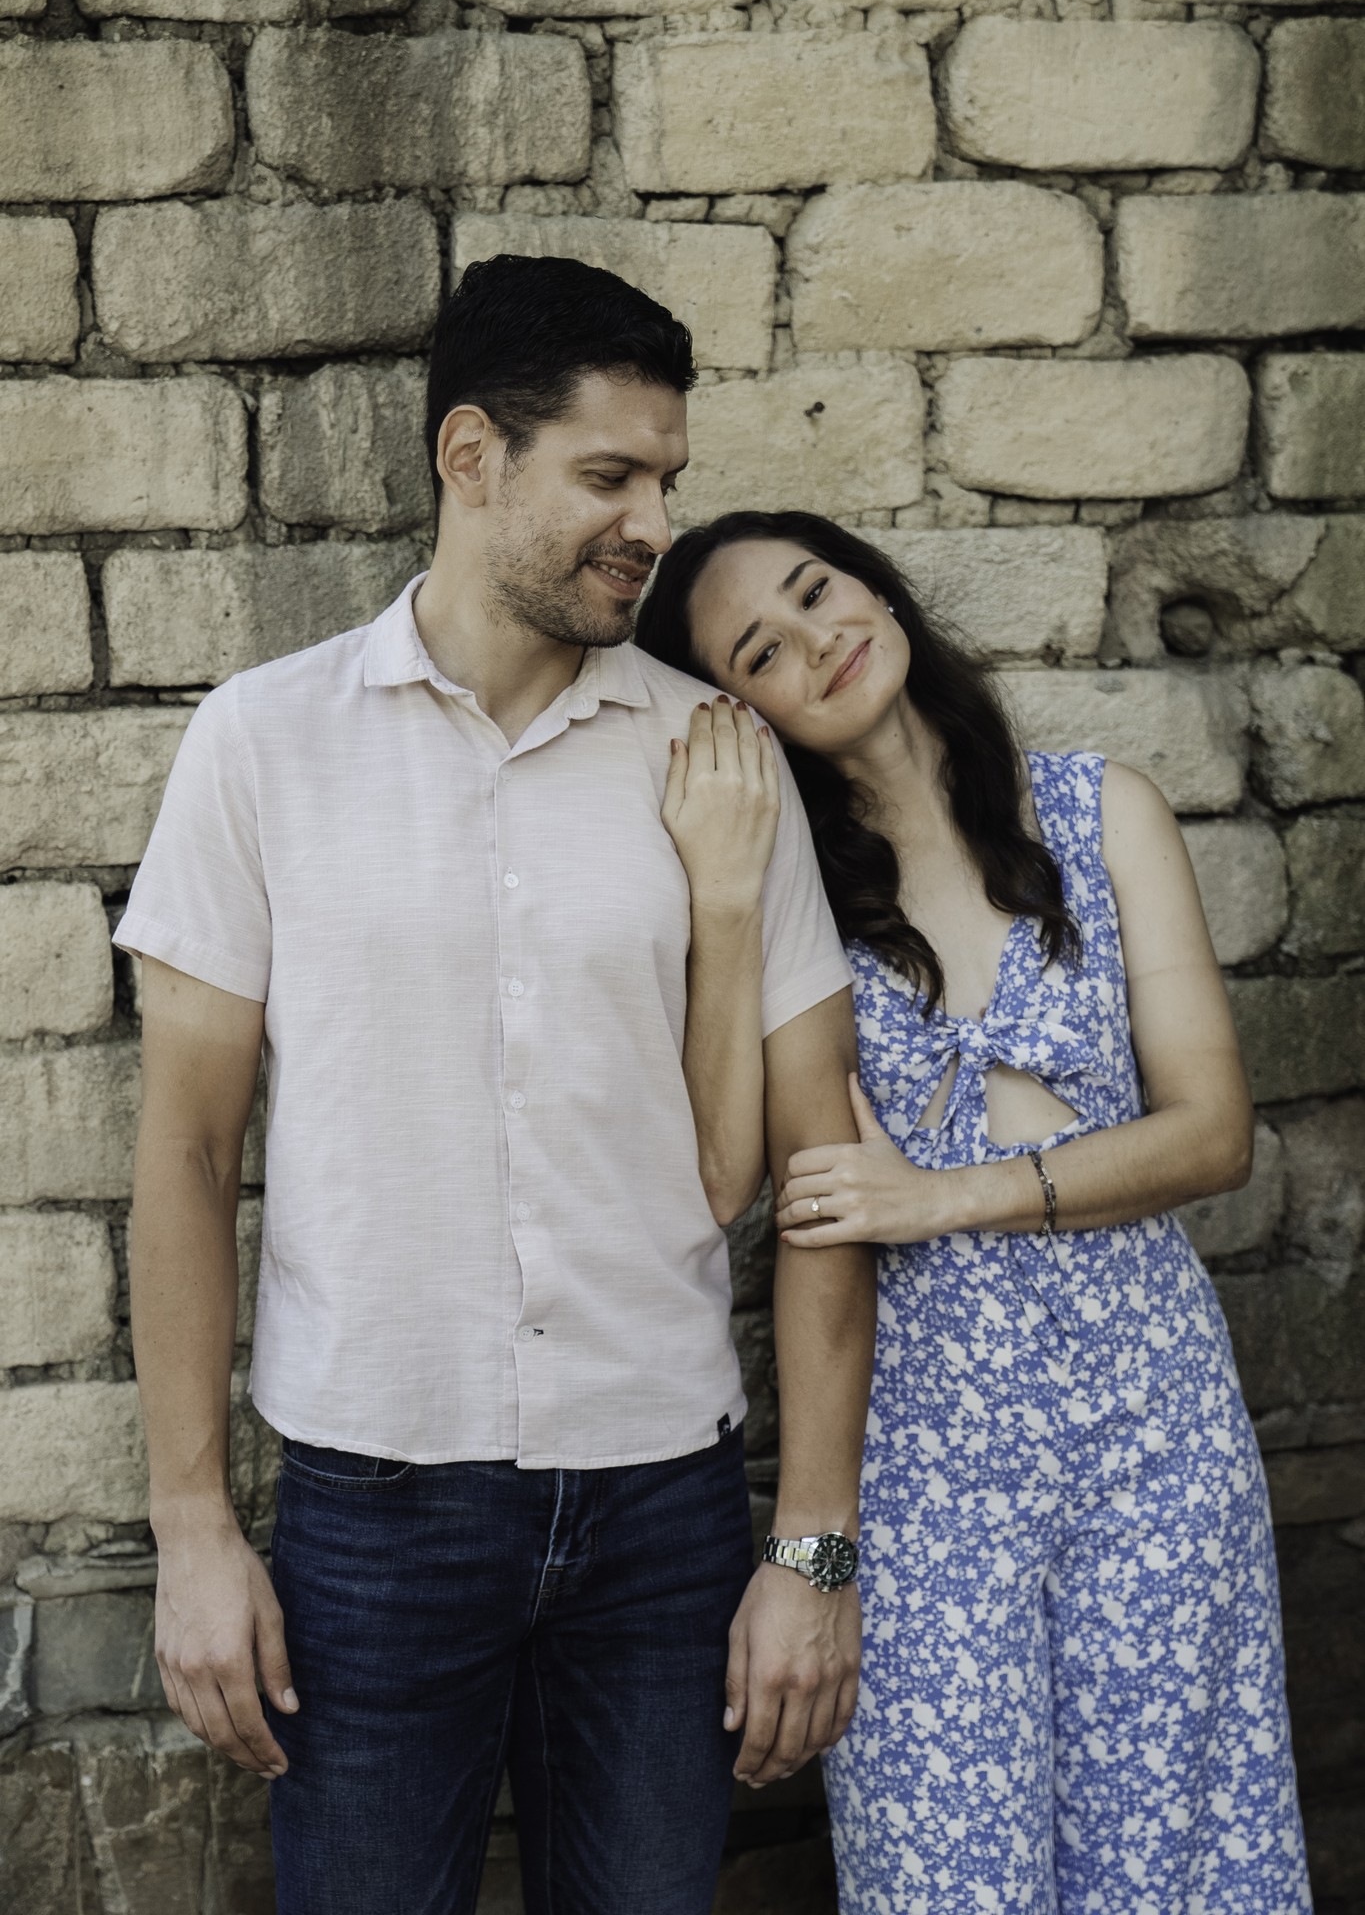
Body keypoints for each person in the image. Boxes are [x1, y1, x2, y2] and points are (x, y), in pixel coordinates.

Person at [114, 264, 877, 1915]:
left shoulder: (719, 760)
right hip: (372, 1513)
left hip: (663, 1505)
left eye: (663, 479)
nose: (650, 524)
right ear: (470, 455)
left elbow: (825, 1178)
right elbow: (184, 1151)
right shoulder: (263, 742)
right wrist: (193, 1530)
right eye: (608, 476)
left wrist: (810, 1548)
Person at [634, 509, 1312, 1915]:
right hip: (929, 1466)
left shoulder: (1100, 813)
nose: (816, 639)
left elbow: (1212, 1133)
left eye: (818, 592)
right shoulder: (796, 912)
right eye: (761, 652)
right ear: (742, 714)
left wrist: (946, 1198)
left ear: (878, 590)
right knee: (945, 1877)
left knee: (1176, 1872)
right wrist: (726, 899)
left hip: (1156, 1433)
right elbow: (745, 1180)